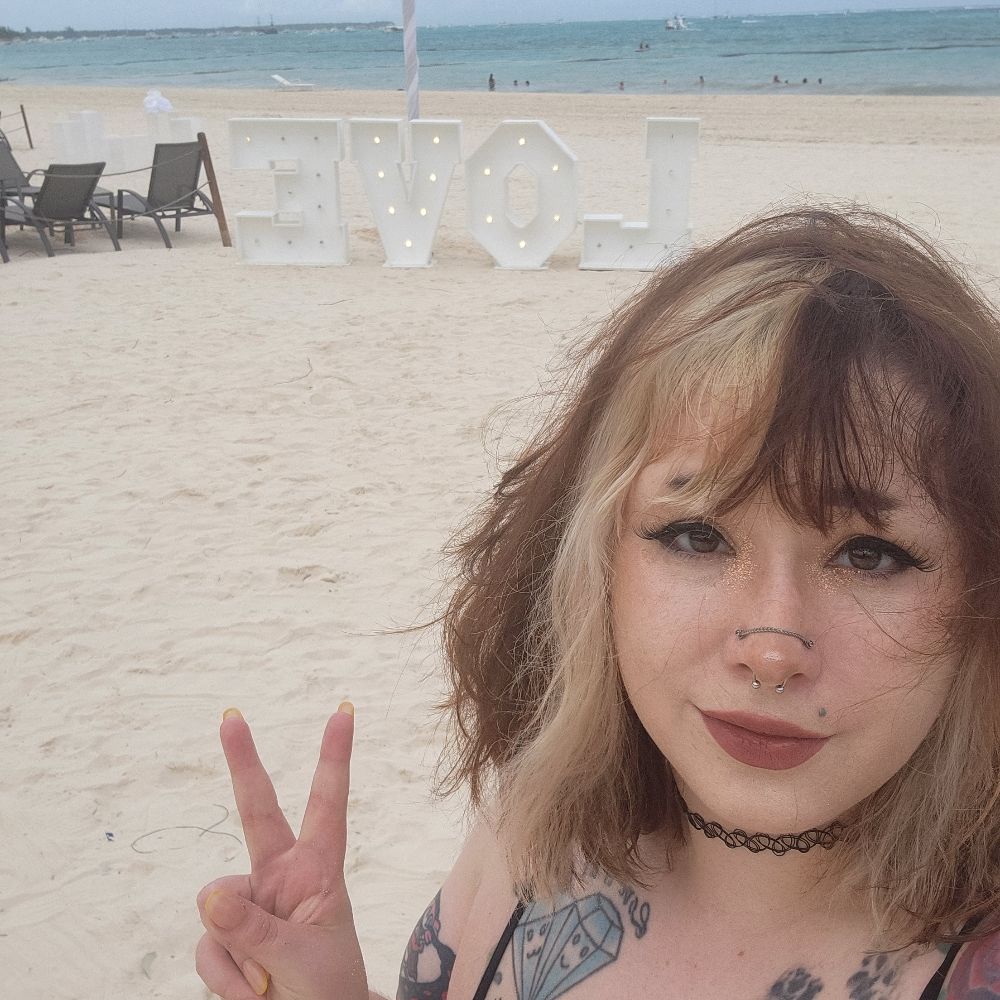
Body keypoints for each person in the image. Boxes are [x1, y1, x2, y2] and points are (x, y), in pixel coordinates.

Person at [195, 207, 1000, 1000]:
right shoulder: (528, 841)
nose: (770, 651)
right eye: (697, 536)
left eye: (869, 555)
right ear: (593, 563)